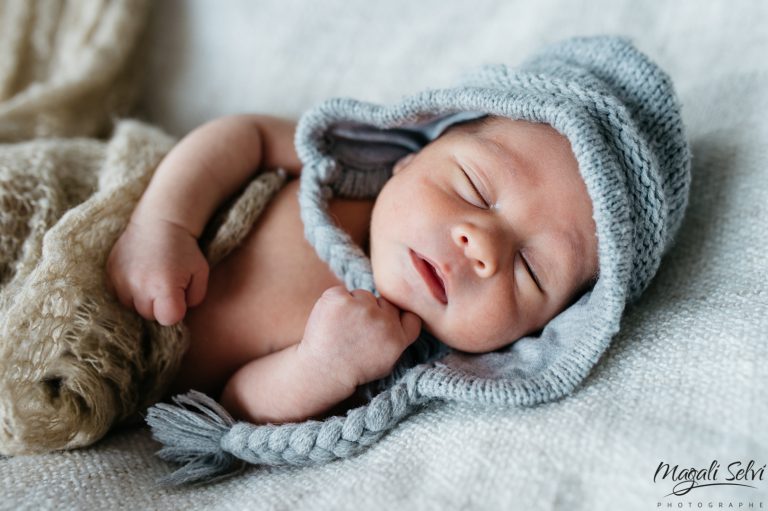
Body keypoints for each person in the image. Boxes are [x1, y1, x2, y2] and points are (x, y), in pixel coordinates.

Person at [107, 36, 690, 432]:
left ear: (540, 333)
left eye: (530, 271)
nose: (482, 246)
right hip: (115, 230)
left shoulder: (384, 358)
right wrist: (163, 223)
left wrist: (319, 366)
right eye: (474, 189)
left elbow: (231, 406)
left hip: (113, 366)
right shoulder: (340, 173)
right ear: (419, 148)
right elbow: (245, 136)